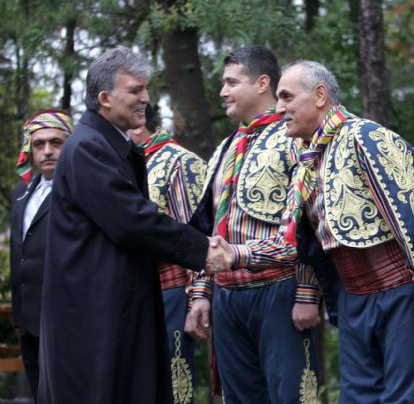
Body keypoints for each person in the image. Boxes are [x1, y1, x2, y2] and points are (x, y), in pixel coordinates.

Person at [216, 60, 414, 403]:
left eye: (287, 97)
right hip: (353, 300)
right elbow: (291, 243)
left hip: (400, 296)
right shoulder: (307, 159)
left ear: (320, 95)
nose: (279, 108)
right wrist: (236, 253)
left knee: (410, 398)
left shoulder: (367, 138)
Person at [37, 47, 212, 404]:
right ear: (104, 98)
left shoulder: (109, 143)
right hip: (95, 319)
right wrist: (206, 250)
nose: (145, 99)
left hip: (114, 308)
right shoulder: (88, 147)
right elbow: (133, 221)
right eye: (135, 90)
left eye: (145, 89)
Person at [186, 46, 321, 404]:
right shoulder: (226, 148)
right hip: (228, 298)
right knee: (239, 397)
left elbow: (308, 222)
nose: (222, 91)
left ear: (263, 83)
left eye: (231, 82)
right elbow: (207, 226)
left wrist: (307, 292)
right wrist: (201, 293)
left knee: (291, 394)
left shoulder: (293, 138)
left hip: (279, 290)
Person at [127, 103, 207, 403]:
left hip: (172, 290)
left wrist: (198, 294)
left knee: (176, 383)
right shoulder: (118, 163)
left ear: (137, 122)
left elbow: (198, 234)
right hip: (133, 291)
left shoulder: (178, 161)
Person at [9, 109, 73, 401]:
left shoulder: (79, 190)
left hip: (66, 318)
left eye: (56, 142)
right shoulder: (19, 193)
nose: (47, 151)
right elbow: (19, 252)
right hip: (28, 319)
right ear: (30, 149)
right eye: (39, 144)